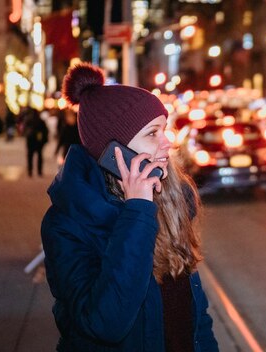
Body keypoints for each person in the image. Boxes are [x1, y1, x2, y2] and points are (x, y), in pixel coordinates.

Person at [41, 63, 218, 352]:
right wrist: (137, 210)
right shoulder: (66, 223)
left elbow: (196, 315)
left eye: (165, 129)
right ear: (114, 152)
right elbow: (106, 323)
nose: (168, 142)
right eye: (152, 134)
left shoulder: (171, 198)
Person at [23, 106, 49, 177]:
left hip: (30, 141)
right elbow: (45, 131)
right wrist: (44, 140)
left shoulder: (28, 120)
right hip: (38, 141)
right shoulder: (40, 121)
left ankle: (30, 171)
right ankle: (39, 171)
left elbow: (24, 130)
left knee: (30, 156)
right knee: (39, 156)